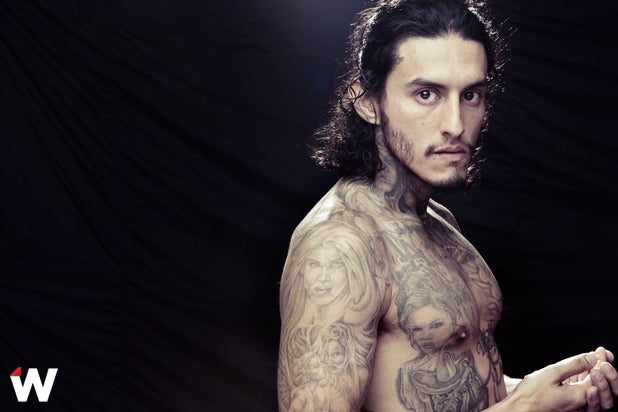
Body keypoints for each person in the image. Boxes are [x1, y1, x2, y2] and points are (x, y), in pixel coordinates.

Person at [277, 0, 618, 411]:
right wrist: (523, 408)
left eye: (471, 95)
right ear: (367, 101)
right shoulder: (339, 246)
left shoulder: (438, 220)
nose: (455, 125)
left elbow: (457, 386)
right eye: (427, 94)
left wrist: (541, 391)